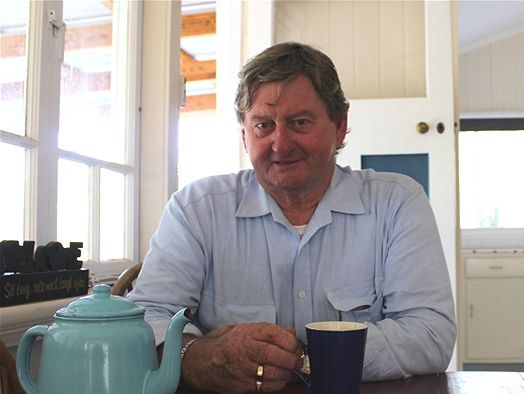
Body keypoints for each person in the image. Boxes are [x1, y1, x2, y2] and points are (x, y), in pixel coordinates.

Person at [128, 41, 456, 393]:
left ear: (340, 126)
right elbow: (143, 320)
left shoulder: (396, 203)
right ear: (244, 135)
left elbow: (430, 334)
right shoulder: (196, 209)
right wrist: (200, 356)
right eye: (263, 126)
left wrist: (300, 358)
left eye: (300, 122)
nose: (280, 144)